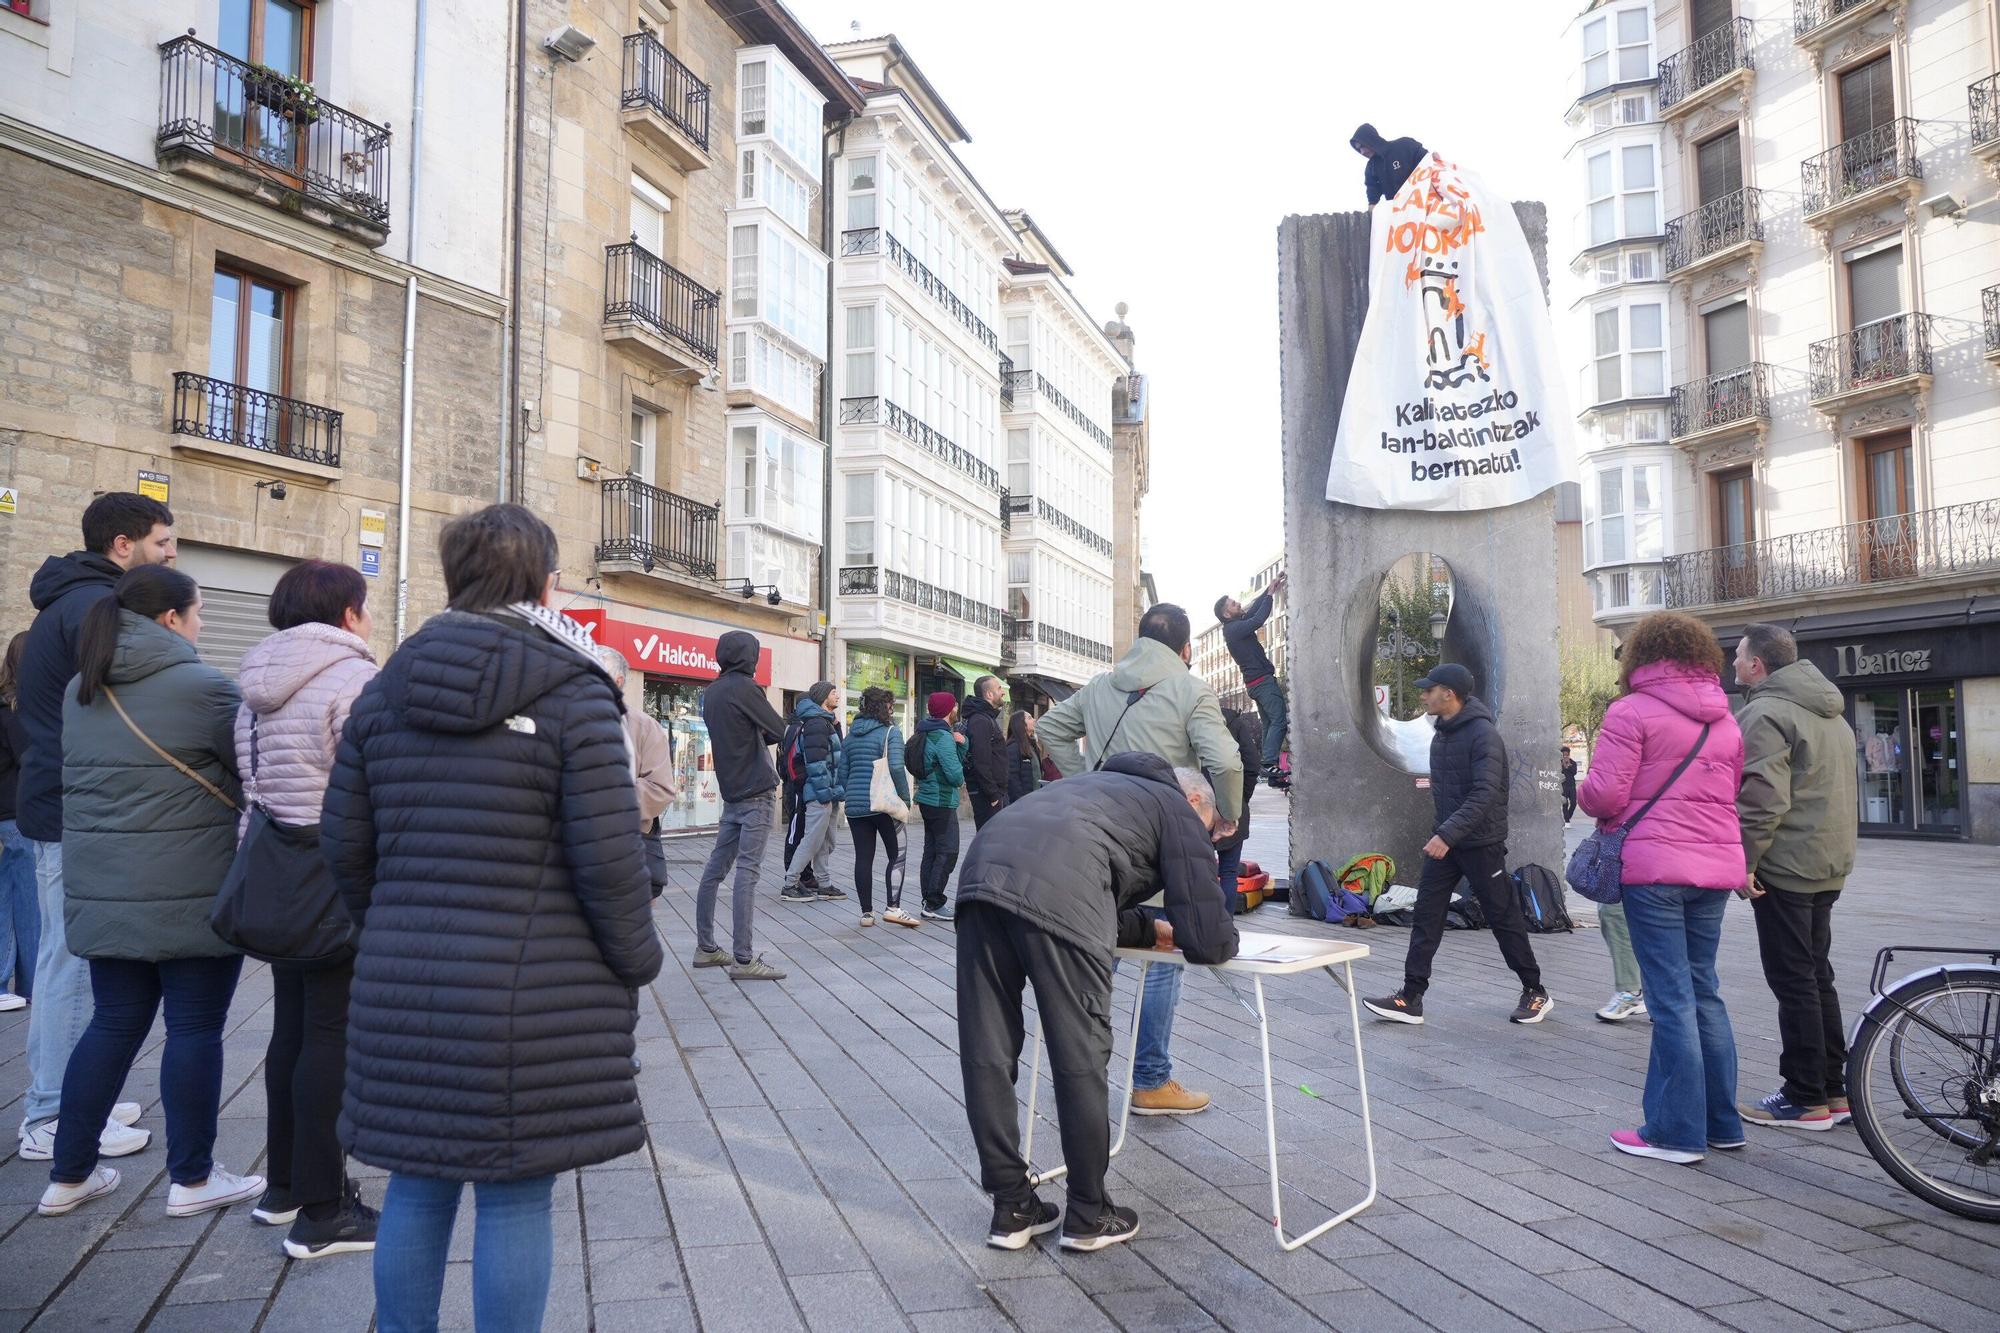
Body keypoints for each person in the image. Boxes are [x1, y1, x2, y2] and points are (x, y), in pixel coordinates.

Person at [321, 504, 663, 1331]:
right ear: (545, 585)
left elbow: (343, 844)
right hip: (529, 998)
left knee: (416, 1178)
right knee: (515, 1194)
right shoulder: (576, 692)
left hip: (403, 984)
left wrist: (392, 928)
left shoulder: (382, 690)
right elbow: (610, 858)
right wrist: (637, 959)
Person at [37, 565, 262, 1219]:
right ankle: (192, 1178)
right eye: (199, 611)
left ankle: (68, 1174)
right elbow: (250, 772)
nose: (203, 623)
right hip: (192, 889)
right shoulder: (205, 687)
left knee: (111, 1024)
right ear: (171, 618)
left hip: (105, 891)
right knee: (194, 1027)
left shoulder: (83, 688)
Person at [956, 754, 1238, 1254]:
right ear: (1196, 799)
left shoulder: (1096, 787)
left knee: (987, 1052)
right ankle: (1089, 1213)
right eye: (1211, 830)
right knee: (1079, 1055)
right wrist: (1220, 935)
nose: (1208, 839)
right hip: (1059, 890)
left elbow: (1090, 879)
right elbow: (1207, 940)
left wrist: (1149, 927)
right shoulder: (1177, 806)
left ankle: (1011, 1207)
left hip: (981, 878)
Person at [228, 561, 382, 1255]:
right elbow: (373, 786)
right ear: (348, 613)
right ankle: (324, 1211)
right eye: (365, 607)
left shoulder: (254, 685)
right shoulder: (352, 680)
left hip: (278, 875)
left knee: (290, 1027)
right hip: (335, 878)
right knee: (329, 1034)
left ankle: (284, 1186)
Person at [14, 492, 173, 1163]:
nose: (170, 556)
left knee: (68, 955)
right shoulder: (92, 608)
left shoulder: (73, 600)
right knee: (72, 960)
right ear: (122, 545)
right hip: (75, 808)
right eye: (162, 543)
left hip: (63, 802)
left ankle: (77, 1096)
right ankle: (55, 1113)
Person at [1038, 603, 1243, 1117]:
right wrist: (1228, 814)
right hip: (1159, 838)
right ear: (1186, 649)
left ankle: (1078, 1074)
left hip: (1097, 836)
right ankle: (1151, 1080)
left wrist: (1085, 779)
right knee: (1163, 954)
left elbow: (1049, 728)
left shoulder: (1100, 687)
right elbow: (1224, 760)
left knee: (1098, 950)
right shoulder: (1191, 690)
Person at [1577, 613, 1747, 1165]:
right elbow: (1730, 793)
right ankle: (1721, 1123)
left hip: (1653, 869)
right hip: (1715, 869)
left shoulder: (1630, 711)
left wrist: (1580, 789)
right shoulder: (1726, 718)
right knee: (1704, 991)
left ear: (1641, 657)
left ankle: (1675, 1132)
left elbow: (1606, 796)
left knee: (1670, 999)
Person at [1364, 663, 1551, 1026]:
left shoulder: (1483, 736)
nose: (1423, 696)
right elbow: (1445, 795)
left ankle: (1535, 990)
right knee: (1426, 915)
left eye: (1429, 690)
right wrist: (1444, 833)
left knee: (1503, 917)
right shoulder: (1442, 735)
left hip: (1481, 844)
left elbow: (1484, 795)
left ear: (1448, 694)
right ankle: (1411, 998)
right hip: (1447, 844)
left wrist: (1446, 834)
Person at [1733, 622, 1858, 1132]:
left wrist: (1744, 861)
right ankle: (1834, 1089)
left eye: (1738, 655)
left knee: (1794, 980)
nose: (1733, 663)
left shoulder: (1765, 712)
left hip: (1785, 865)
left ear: (1757, 664)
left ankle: (1804, 1097)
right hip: (1827, 861)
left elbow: (1762, 798)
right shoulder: (1830, 712)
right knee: (1816, 975)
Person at [691, 631, 789, 980]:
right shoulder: (747, 688)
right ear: (749, 657)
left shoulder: (713, 692)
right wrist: (762, 733)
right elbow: (779, 729)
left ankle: (706, 947)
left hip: (731, 790)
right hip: (757, 791)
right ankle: (744, 959)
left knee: (715, 870)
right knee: (747, 872)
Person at [838, 686, 914, 928]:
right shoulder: (891, 732)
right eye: (889, 705)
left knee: (863, 857)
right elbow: (896, 767)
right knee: (897, 854)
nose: (891, 710)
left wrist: (851, 794)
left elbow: (842, 775)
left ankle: (866, 913)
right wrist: (905, 799)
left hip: (856, 807)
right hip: (884, 805)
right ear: (883, 707)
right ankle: (893, 908)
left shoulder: (850, 737)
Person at [1213, 575, 1290, 789]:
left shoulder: (1235, 626)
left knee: (1269, 724)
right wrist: (1269, 595)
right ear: (1226, 614)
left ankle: (1272, 772)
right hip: (1262, 682)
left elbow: (1254, 611)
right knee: (1279, 720)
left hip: (1255, 684)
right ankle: (1269, 763)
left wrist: (1269, 590)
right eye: (1234, 604)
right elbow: (1257, 620)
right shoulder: (1233, 630)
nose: (1238, 604)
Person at [780, 682, 845, 904]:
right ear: (823, 697)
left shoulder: (825, 722)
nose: (837, 696)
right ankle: (790, 884)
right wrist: (825, 793)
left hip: (829, 791)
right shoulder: (817, 723)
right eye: (833, 692)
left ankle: (824, 884)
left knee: (826, 841)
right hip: (820, 793)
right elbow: (815, 763)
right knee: (812, 839)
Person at [1, 633, 39, 1012]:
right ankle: (18, 983)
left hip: (10, 814)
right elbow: (31, 759)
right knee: (23, 900)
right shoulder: (15, 708)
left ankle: (25, 984)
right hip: (17, 814)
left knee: (17, 895)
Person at [913, 692, 969, 922]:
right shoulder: (943, 737)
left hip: (927, 799)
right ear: (948, 710)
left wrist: (961, 744)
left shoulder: (926, 730)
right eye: (954, 706)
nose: (956, 709)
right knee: (948, 852)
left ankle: (928, 900)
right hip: (941, 800)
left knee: (932, 851)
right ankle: (934, 902)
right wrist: (962, 747)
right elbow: (955, 775)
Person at [1216, 704, 1264, 898]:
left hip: (1195, 804)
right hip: (1231, 803)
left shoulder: (1185, 719)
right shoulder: (1234, 722)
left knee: (1193, 871)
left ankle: (1198, 917)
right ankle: (1225, 918)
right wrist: (1241, 797)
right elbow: (1252, 764)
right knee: (1229, 872)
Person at [962, 675, 1010, 829]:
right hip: (987, 796)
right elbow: (980, 761)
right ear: (989, 694)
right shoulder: (980, 720)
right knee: (990, 837)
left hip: (993, 793)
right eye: (999, 688)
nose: (1003, 692)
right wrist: (993, 794)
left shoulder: (986, 718)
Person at [1351, 123, 1428, 205]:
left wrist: (1433, 158)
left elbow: (1428, 160)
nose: (1362, 152)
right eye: (1358, 149)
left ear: (1370, 139)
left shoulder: (1404, 145)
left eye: (1362, 146)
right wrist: (1371, 208)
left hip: (1426, 200)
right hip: (1401, 210)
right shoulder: (1371, 167)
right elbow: (1372, 193)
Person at [1005, 710, 1042, 805]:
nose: (1034, 720)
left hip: (1036, 799)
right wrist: (1021, 801)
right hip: (1023, 803)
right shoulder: (1013, 748)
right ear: (1020, 724)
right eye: (1030, 718)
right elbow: (1012, 779)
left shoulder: (1033, 746)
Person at [1561, 746, 1578, 823]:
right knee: (1565, 803)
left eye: (1566, 754)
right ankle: (1567, 821)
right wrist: (1563, 765)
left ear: (1569, 754)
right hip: (1563, 786)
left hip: (1572, 785)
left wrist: (1568, 766)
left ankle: (1568, 816)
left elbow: (1574, 772)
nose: (1565, 756)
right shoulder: (1559, 763)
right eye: (1564, 755)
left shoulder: (1573, 763)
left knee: (1573, 803)